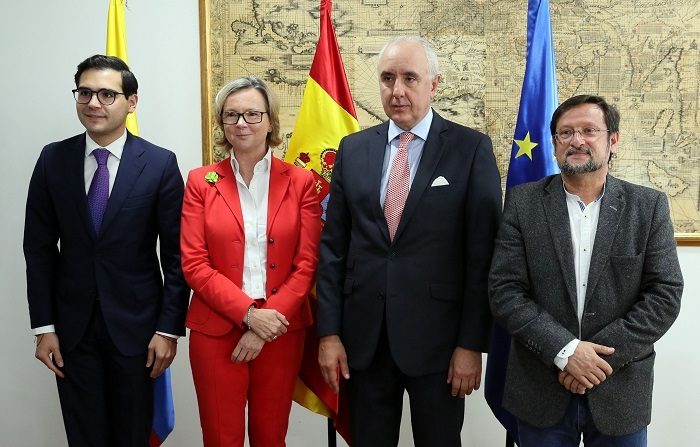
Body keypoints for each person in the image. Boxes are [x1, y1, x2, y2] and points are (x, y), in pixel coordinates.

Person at [316, 36, 502, 446]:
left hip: (439, 346)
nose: (397, 90)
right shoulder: (353, 149)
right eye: (387, 78)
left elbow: (482, 256)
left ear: (433, 84)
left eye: (409, 78)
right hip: (363, 344)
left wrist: (471, 344)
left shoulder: (470, 150)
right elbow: (333, 250)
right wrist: (328, 334)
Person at [489, 94, 684, 446]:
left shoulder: (648, 207)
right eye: (566, 133)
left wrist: (592, 359)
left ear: (613, 140)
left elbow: (664, 294)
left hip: (619, 390)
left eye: (589, 131)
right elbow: (505, 290)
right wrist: (565, 352)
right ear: (554, 144)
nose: (577, 140)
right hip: (539, 389)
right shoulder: (523, 203)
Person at [23, 55, 190, 447]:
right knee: (84, 437)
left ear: (131, 102)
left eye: (106, 94)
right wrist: (44, 327)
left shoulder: (160, 164)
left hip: (139, 332)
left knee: (133, 435)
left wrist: (168, 329)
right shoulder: (53, 159)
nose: (93, 102)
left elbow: (177, 255)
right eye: (84, 92)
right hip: (71, 332)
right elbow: (39, 248)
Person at [181, 76, 322, 447]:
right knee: (220, 437)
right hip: (215, 330)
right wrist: (248, 314)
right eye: (231, 115)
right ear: (221, 122)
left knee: (270, 436)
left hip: (280, 328)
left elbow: (307, 263)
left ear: (271, 121)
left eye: (252, 114)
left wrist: (264, 323)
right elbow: (194, 263)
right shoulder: (200, 181)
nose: (241, 123)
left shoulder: (301, 182)